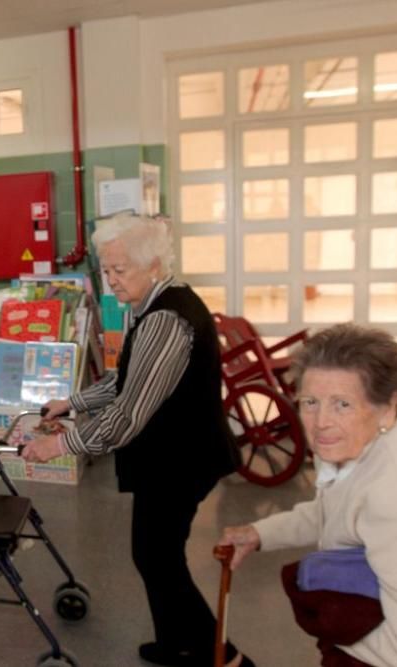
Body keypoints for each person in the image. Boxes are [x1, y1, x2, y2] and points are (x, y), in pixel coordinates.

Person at [21, 213, 249, 667]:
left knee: (158, 557)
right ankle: (174, 645)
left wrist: (61, 445)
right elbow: (128, 379)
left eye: (119, 270)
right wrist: (72, 402)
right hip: (173, 456)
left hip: (182, 460)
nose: (111, 281)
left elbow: (128, 413)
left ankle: (223, 656)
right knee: (154, 554)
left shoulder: (167, 320)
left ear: (154, 265)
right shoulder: (155, 303)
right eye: (106, 270)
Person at [219, 324, 397, 667]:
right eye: (310, 402)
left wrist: (342, 647)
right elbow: (332, 510)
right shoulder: (357, 440)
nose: (320, 421)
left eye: (342, 404)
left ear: (387, 405)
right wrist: (260, 534)